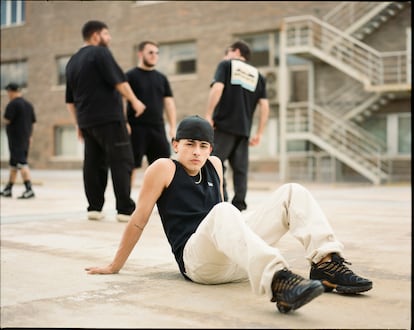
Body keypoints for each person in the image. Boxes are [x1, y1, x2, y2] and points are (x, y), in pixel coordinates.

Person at [85, 115, 373, 314]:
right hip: (198, 264)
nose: (196, 152)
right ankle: (279, 281)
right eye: (189, 144)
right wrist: (114, 265)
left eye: (203, 146)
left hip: (233, 260)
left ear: (210, 147)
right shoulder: (164, 168)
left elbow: (227, 224)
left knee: (291, 191)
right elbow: (138, 220)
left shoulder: (215, 165)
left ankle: (326, 263)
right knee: (224, 210)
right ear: (176, 145)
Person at [65, 20, 146, 222]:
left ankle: (94, 208)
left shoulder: (72, 61)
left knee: (93, 164)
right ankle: (125, 210)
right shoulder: (100, 53)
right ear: (96, 35)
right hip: (109, 118)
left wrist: (77, 124)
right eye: (107, 34)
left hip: (86, 122)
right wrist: (135, 101)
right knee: (122, 161)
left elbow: (69, 101)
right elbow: (119, 81)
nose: (109, 39)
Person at [205, 40, 270, 211]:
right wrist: (260, 132)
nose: (225, 56)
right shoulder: (258, 75)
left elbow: (217, 88)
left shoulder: (226, 65)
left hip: (223, 126)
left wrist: (208, 114)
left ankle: (222, 201)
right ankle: (239, 204)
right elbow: (264, 105)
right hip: (244, 130)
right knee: (240, 169)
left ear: (235, 51)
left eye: (227, 52)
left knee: (215, 163)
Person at [125, 40, 177, 185]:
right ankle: (126, 205)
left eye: (157, 53)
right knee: (131, 166)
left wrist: (172, 126)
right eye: (151, 52)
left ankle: (164, 204)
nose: (155, 56)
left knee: (164, 165)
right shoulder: (130, 76)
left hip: (157, 128)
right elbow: (120, 101)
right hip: (136, 128)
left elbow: (169, 103)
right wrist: (124, 123)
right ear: (140, 54)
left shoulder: (161, 78)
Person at [0, 83, 36, 199]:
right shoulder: (28, 105)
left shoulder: (13, 104)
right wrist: (30, 136)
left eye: (8, 92)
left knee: (22, 163)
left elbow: (7, 119)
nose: (8, 95)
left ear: (11, 91)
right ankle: (8, 189)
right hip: (25, 139)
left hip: (16, 140)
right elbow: (32, 123)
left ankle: (29, 189)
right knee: (14, 165)